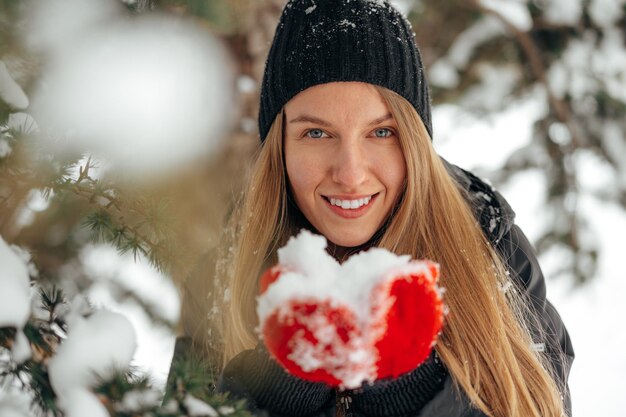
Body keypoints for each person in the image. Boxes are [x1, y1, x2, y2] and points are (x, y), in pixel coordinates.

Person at [171, 1, 574, 416]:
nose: (350, 173)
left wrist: (411, 390)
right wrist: (280, 390)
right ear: (280, 147)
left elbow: (542, 405)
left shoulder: (492, 251)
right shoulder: (221, 278)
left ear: (415, 143)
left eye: (381, 131)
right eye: (316, 133)